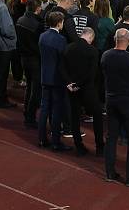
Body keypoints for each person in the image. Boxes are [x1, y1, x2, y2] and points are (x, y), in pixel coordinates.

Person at [102, 28, 129, 186]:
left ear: (115, 39)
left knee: (111, 137)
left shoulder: (106, 55)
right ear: (128, 40)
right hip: (128, 101)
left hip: (111, 100)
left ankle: (109, 172)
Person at [63, 27, 103, 156]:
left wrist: (70, 83)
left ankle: (79, 146)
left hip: (72, 88)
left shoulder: (68, 48)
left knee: (75, 116)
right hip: (87, 89)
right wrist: (78, 84)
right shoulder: (93, 51)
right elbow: (91, 74)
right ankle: (99, 146)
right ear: (90, 37)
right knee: (97, 115)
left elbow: (62, 68)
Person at [38, 11, 73, 151]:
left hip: (45, 77)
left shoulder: (42, 36)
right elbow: (62, 62)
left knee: (44, 109)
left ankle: (42, 139)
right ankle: (56, 142)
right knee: (57, 111)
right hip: (57, 80)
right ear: (59, 23)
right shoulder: (61, 40)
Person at [16, 0, 44, 128]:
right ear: (38, 9)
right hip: (34, 59)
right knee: (35, 89)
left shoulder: (20, 20)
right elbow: (38, 44)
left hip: (24, 58)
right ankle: (30, 116)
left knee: (29, 86)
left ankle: (27, 112)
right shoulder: (37, 25)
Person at [8, 0, 26, 85]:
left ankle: (16, 76)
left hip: (12, 29)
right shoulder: (20, 2)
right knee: (18, 55)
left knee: (14, 54)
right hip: (18, 30)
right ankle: (19, 78)